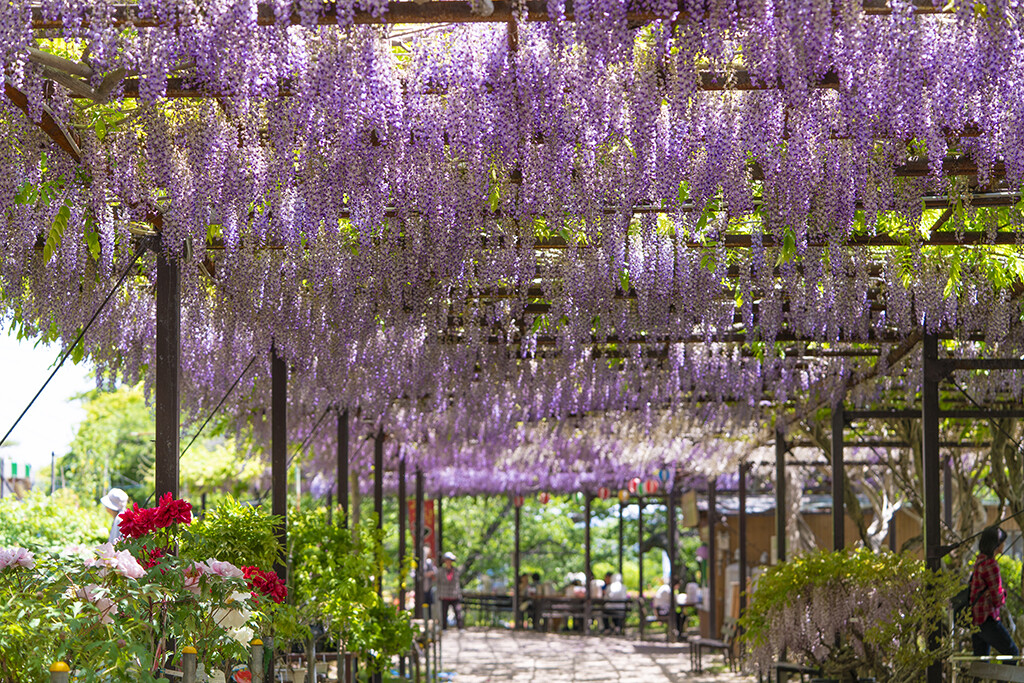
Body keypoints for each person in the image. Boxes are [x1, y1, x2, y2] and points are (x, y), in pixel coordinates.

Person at [970, 526, 1019, 659]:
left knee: (980, 664)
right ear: (996, 544)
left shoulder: (980, 560)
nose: (1004, 545)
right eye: (1003, 542)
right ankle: (1003, 681)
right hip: (988, 619)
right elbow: (998, 600)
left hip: (976, 621)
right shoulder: (991, 565)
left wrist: (992, 594)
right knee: (1012, 654)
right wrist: (1003, 593)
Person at [437, 551, 464, 630]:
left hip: (454, 595)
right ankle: (444, 628)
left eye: (450, 560)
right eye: (447, 560)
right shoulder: (441, 571)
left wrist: (459, 593)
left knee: (458, 612)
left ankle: (460, 627)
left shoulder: (456, 571)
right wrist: (439, 594)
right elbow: (438, 583)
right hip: (444, 595)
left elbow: (457, 583)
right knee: (444, 613)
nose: (448, 562)